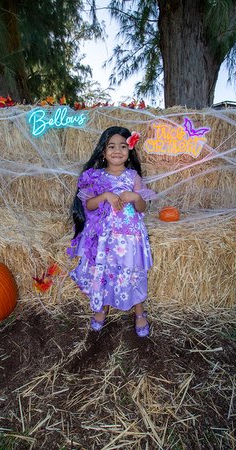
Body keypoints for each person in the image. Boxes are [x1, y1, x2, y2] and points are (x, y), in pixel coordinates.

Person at [67, 126, 155, 337]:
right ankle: (102, 307)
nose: (117, 150)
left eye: (123, 146)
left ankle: (139, 311)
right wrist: (106, 195)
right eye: (111, 146)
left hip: (130, 236)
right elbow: (88, 205)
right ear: (103, 152)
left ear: (130, 149)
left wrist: (136, 198)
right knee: (105, 272)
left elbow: (143, 208)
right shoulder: (95, 176)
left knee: (132, 273)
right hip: (105, 237)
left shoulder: (132, 176)